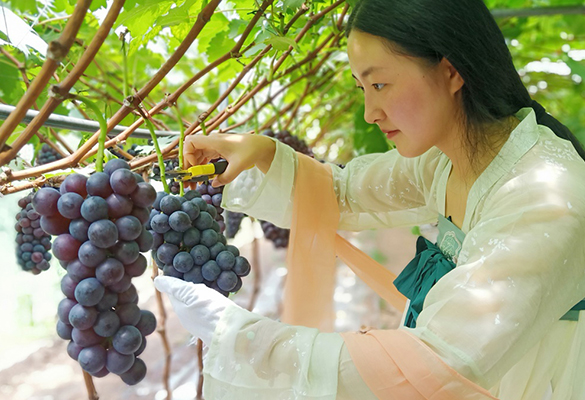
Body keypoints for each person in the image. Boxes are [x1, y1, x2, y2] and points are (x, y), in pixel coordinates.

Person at [153, 0, 585, 399]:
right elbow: (344, 193)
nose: (369, 112)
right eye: (362, 88)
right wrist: (262, 151)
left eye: (380, 84)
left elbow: (437, 365)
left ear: (452, 72)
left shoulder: (545, 196)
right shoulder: (448, 159)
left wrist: (247, 339)